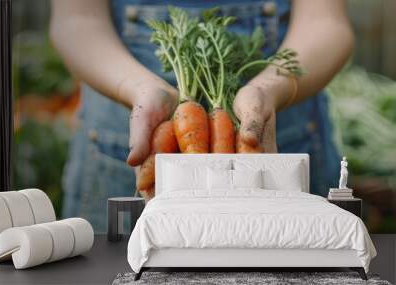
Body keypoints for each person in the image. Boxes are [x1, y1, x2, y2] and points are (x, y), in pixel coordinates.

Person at [50, 0, 354, 232]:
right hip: (122, 152)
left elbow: (325, 21)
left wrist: (268, 90)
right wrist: (137, 88)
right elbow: (77, 20)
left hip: (275, 149)